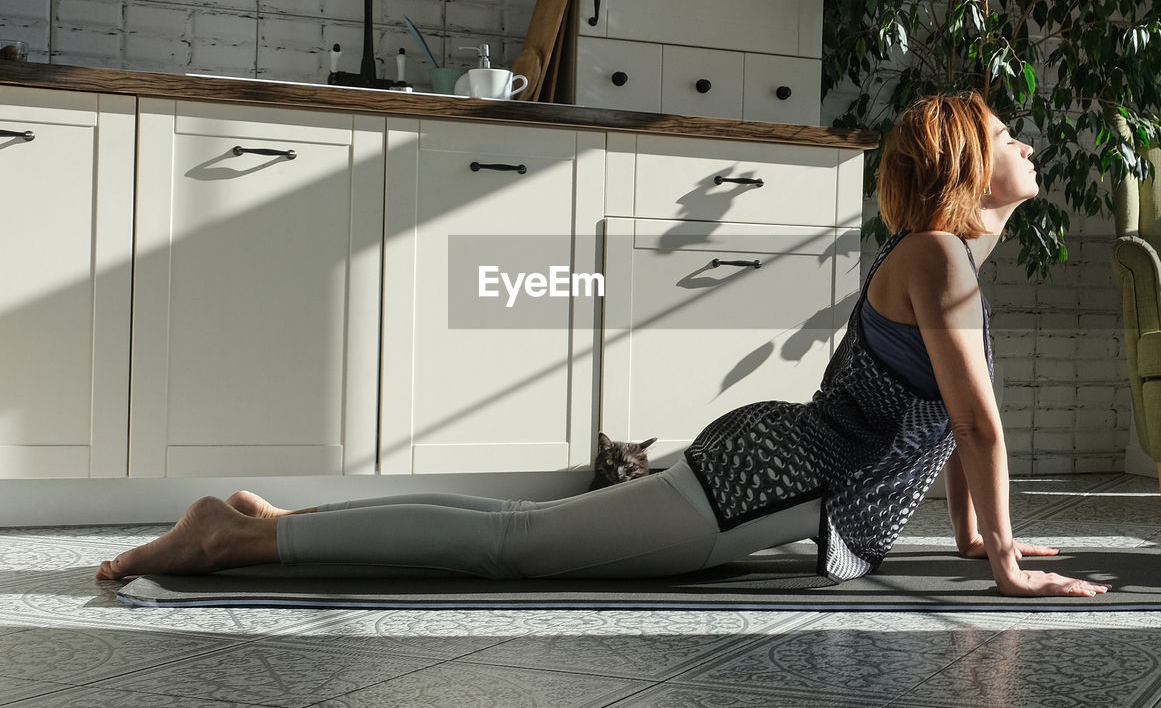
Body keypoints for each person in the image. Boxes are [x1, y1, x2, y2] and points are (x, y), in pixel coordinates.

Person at [96, 92, 1109, 599]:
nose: (1026, 143)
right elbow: (974, 423)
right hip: (762, 481)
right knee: (508, 548)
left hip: (770, 462)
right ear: (973, 168)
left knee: (509, 525)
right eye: (1009, 134)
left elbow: (942, 424)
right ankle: (231, 538)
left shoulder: (934, 255)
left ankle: (276, 520)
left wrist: (982, 541)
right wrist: (1007, 568)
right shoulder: (939, 257)